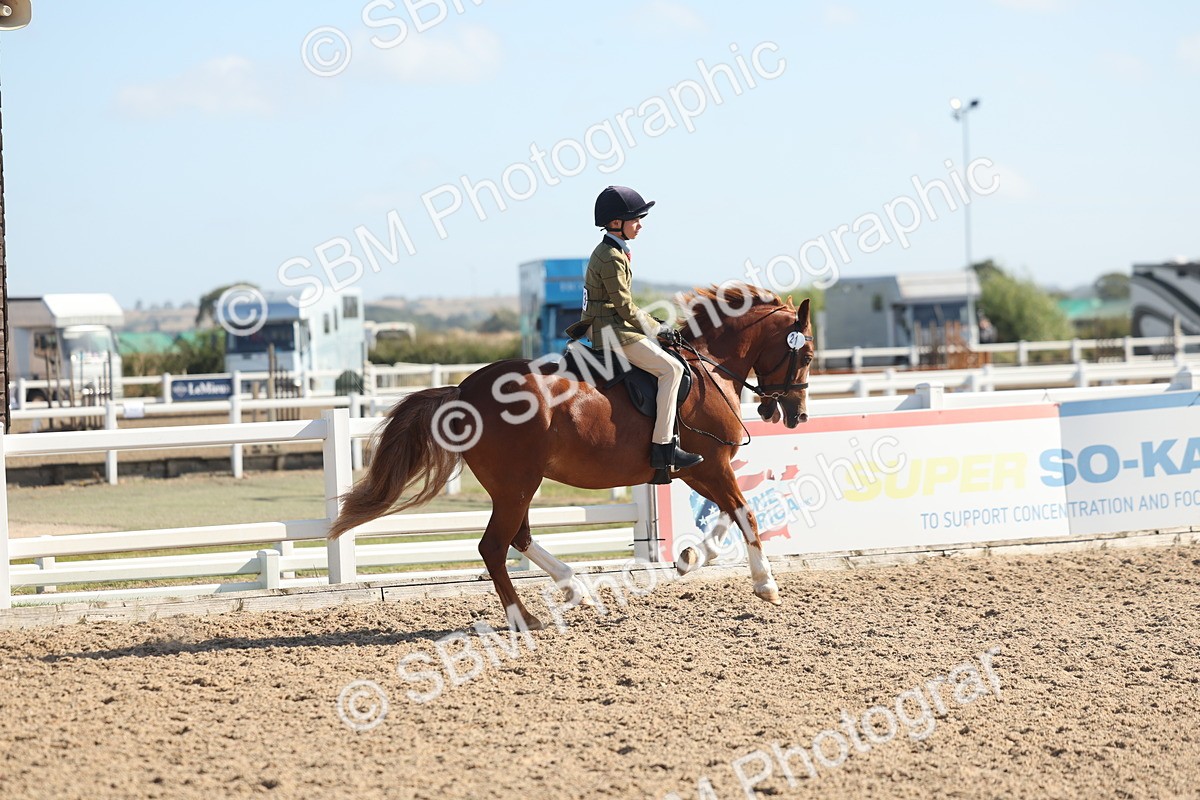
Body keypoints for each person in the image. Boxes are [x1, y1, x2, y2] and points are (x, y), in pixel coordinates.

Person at [571, 185, 703, 478]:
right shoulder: (610, 257)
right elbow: (625, 307)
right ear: (616, 223)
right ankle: (663, 447)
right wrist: (658, 330)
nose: (641, 225)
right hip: (610, 331)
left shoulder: (615, 250)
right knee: (672, 371)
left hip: (611, 325)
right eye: (636, 220)